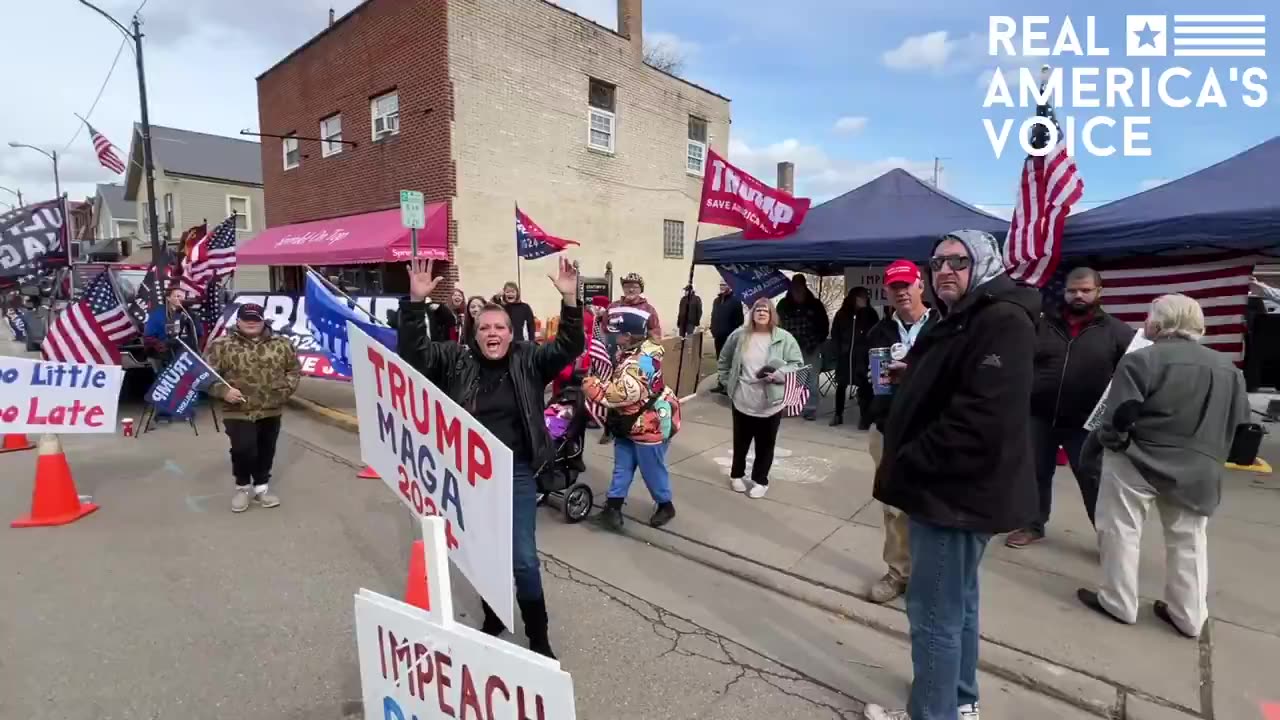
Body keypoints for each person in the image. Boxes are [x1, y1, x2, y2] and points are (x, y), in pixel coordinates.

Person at [864, 230, 1039, 720]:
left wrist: (910, 459)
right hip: (952, 491)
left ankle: (931, 712)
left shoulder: (1001, 320)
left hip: (952, 495)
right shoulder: (964, 316)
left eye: (958, 261)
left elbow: (980, 419)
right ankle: (960, 701)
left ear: (983, 264)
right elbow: (955, 379)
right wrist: (913, 374)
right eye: (937, 262)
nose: (943, 270)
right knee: (957, 605)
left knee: (933, 613)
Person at [397, 257, 583, 659]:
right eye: (485, 327)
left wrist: (570, 299)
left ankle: (538, 634)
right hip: (468, 472)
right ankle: (494, 617)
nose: (493, 333)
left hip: (515, 471)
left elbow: (570, 346)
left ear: (511, 332)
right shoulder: (455, 360)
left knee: (523, 559)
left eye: (500, 327)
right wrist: (414, 303)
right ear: (474, 332)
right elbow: (414, 356)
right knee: (481, 552)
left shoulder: (530, 359)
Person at [1076, 294, 1249, 639]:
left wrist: (1108, 445)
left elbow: (1116, 417)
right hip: (1199, 467)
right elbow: (1240, 425)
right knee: (1189, 540)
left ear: (1157, 324)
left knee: (1121, 530)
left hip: (1137, 460)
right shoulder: (1229, 369)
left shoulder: (1142, 360)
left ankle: (1118, 602)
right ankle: (1188, 616)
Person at [1006, 267, 1135, 549]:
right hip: (1039, 415)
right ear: (1063, 292)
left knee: (1092, 478)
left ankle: (1110, 539)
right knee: (1035, 472)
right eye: (1072, 290)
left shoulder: (1117, 331)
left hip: (1086, 422)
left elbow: (1138, 371)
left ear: (1099, 292)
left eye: (1086, 290)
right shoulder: (1041, 325)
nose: (1078, 295)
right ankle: (1032, 525)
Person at [861, 260, 940, 604]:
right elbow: (875, 385)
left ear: (921, 284)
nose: (902, 292)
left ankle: (931, 578)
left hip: (933, 431)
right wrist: (874, 390)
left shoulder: (944, 326)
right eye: (895, 287)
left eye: (907, 284)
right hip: (889, 429)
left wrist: (915, 375)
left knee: (933, 508)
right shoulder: (879, 333)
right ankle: (898, 573)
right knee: (893, 507)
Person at [586, 304, 681, 530]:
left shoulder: (636, 362)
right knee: (623, 466)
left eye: (616, 333)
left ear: (628, 336)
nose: (611, 337)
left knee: (651, 469)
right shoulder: (644, 351)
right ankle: (613, 508)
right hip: (631, 422)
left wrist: (592, 386)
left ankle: (665, 505)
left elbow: (622, 394)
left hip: (650, 424)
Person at [205, 303, 302, 513]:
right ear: (238, 321)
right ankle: (242, 487)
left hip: (271, 407)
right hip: (238, 409)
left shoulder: (282, 344)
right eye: (246, 319)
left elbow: (293, 370)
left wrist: (284, 392)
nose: (251, 322)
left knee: (266, 449)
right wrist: (223, 391)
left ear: (263, 320)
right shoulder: (221, 345)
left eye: (255, 319)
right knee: (243, 449)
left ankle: (261, 488)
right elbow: (206, 376)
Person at [716, 298, 803, 498]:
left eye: (766, 310)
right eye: (758, 310)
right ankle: (736, 475)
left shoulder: (784, 338)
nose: (762, 313)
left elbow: (796, 364)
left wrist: (780, 375)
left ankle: (760, 480)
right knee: (741, 441)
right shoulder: (739, 335)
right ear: (752, 313)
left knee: (766, 444)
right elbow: (724, 359)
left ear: (772, 314)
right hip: (743, 399)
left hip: (770, 402)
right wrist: (725, 380)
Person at [144, 286, 203, 424]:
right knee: (165, 383)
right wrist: (161, 346)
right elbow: (148, 336)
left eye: (182, 296)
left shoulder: (189, 314)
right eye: (176, 296)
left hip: (186, 353)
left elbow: (199, 334)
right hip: (164, 354)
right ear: (168, 298)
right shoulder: (158, 314)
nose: (179, 299)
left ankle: (186, 410)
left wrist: (196, 349)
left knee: (188, 382)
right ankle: (164, 413)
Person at [775, 275, 829, 420]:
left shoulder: (815, 305)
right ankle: (792, 406)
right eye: (795, 287)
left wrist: (818, 341)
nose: (798, 290)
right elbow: (776, 325)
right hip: (790, 349)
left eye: (800, 286)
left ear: (805, 287)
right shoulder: (783, 305)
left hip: (810, 347)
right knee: (792, 379)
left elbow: (824, 325)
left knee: (811, 379)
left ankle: (810, 408)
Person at [830, 286, 880, 428]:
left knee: (864, 387)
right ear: (853, 298)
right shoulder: (842, 314)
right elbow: (835, 333)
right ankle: (838, 415)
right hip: (845, 355)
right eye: (860, 297)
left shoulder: (871, 314)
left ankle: (865, 418)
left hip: (862, 356)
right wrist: (838, 350)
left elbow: (876, 333)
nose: (863, 300)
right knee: (841, 385)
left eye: (865, 297)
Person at [709, 281, 744, 393]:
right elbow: (713, 316)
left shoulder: (735, 301)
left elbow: (739, 321)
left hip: (729, 337)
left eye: (724, 285)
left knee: (729, 361)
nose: (722, 287)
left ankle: (729, 385)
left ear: (730, 286)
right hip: (718, 336)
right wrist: (712, 329)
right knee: (720, 360)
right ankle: (721, 383)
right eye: (720, 285)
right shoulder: (716, 301)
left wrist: (733, 335)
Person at [611, 272, 662, 340]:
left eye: (635, 287)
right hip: (613, 349)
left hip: (639, 349)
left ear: (640, 290)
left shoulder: (648, 309)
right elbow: (603, 330)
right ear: (623, 288)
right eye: (627, 286)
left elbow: (655, 334)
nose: (631, 290)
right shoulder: (612, 307)